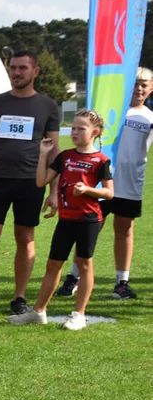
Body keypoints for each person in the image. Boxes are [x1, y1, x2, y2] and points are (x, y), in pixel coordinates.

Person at [8, 111, 113, 330]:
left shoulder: (101, 160)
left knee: (84, 264)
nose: (74, 132)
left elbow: (110, 193)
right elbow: (41, 181)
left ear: (95, 133)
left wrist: (88, 190)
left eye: (80, 128)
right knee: (52, 265)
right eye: (73, 128)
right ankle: (38, 312)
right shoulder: (65, 156)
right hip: (66, 219)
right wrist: (43, 154)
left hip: (88, 219)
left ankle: (79, 314)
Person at [0, 51, 61, 317]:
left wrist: (54, 191)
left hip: (30, 182)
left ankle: (19, 297)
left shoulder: (48, 106)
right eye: (13, 67)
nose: (17, 72)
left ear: (35, 72)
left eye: (23, 68)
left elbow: (55, 150)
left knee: (25, 237)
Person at [57, 68, 152, 300]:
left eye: (144, 84)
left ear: (151, 88)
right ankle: (73, 277)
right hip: (97, 182)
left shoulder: (149, 117)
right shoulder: (110, 110)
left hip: (130, 182)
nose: (139, 88)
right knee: (88, 229)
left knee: (125, 230)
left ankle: (122, 282)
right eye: (135, 83)